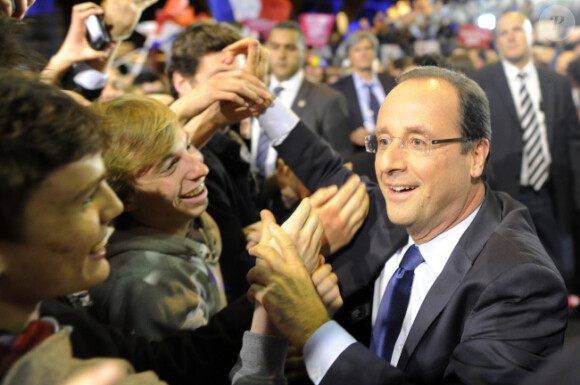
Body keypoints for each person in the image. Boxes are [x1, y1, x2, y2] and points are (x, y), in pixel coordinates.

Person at [0, 69, 338, 385]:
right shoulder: (134, 282)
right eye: (84, 198)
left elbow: (165, 359)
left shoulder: (45, 325)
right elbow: (180, 370)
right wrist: (271, 314)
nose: (113, 205)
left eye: (189, 144)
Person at [245, 65, 568, 384]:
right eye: (383, 141)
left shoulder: (521, 284)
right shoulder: (399, 210)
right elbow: (323, 166)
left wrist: (315, 332)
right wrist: (262, 104)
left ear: (476, 156)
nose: (388, 164)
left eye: (418, 142)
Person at [470, 11, 580, 283]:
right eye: (504, 32)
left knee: (564, 267)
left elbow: (572, 140)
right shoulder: (480, 84)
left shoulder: (557, 82)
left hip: (555, 191)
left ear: (531, 35)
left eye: (517, 29)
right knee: (517, 269)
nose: (511, 37)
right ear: (496, 42)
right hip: (506, 191)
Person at [251, 20, 353, 179]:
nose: (282, 55)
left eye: (290, 48)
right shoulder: (253, 93)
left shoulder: (328, 99)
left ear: (305, 53)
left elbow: (340, 165)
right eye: (275, 47)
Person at [331, 30, 395, 151]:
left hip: (394, 146)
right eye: (357, 49)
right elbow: (334, 127)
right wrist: (350, 135)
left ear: (374, 52)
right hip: (360, 152)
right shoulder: (338, 89)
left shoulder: (392, 82)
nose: (363, 53)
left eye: (367, 48)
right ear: (349, 56)